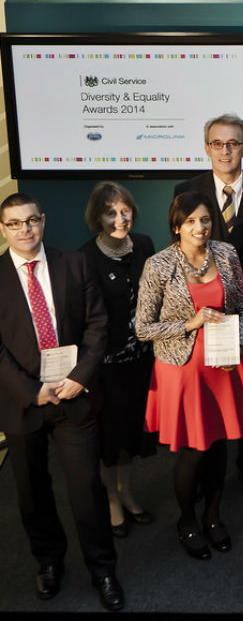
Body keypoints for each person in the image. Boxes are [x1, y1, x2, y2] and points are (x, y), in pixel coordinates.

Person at [0, 193, 124, 610]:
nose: (25, 230)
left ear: (43, 220)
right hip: (23, 402)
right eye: (15, 224)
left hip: (74, 396)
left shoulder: (74, 263)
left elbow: (97, 326)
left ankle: (103, 569)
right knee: (32, 491)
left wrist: (78, 377)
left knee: (86, 488)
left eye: (31, 220)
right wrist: (29, 390)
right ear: (3, 229)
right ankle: (49, 562)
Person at [135, 191, 243, 560]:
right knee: (192, 451)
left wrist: (238, 344)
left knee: (220, 445)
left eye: (205, 219)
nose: (200, 227)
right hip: (183, 369)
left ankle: (213, 516)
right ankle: (187, 520)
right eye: (190, 221)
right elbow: (143, 328)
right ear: (176, 225)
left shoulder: (226, 254)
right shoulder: (158, 265)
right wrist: (191, 322)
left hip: (223, 365)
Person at [175, 113, 243, 505]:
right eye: (217, 143)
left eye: (233, 143)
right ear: (206, 148)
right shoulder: (187, 189)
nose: (225, 150)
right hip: (205, 317)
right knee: (209, 394)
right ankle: (207, 470)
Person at [78, 182, 157, 539]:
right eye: (111, 212)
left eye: (124, 211)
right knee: (108, 434)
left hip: (140, 359)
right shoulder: (85, 258)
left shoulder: (143, 245)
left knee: (130, 430)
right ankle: (111, 496)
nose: (119, 218)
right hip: (105, 365)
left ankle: (126, 490)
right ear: (97, 217)